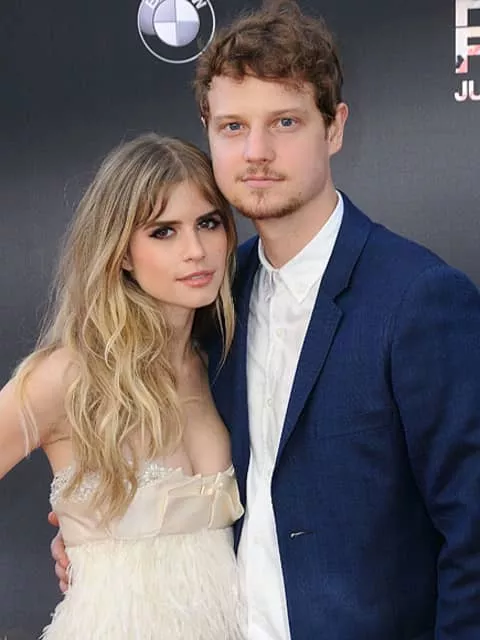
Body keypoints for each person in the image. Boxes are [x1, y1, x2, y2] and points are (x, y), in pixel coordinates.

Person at [53, 2, 480, 638]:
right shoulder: (211, 298)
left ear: (334, 128)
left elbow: (472, 534)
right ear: (208, 132)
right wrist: (95, 535)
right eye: (233, 126)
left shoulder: (420, 299)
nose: (257, 152)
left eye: (285, 122)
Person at [0, 133, 245, 639]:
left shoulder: (219, 364)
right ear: (122, 252)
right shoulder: (68, 375)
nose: (196, 251)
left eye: (208, 223)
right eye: (163, 232)